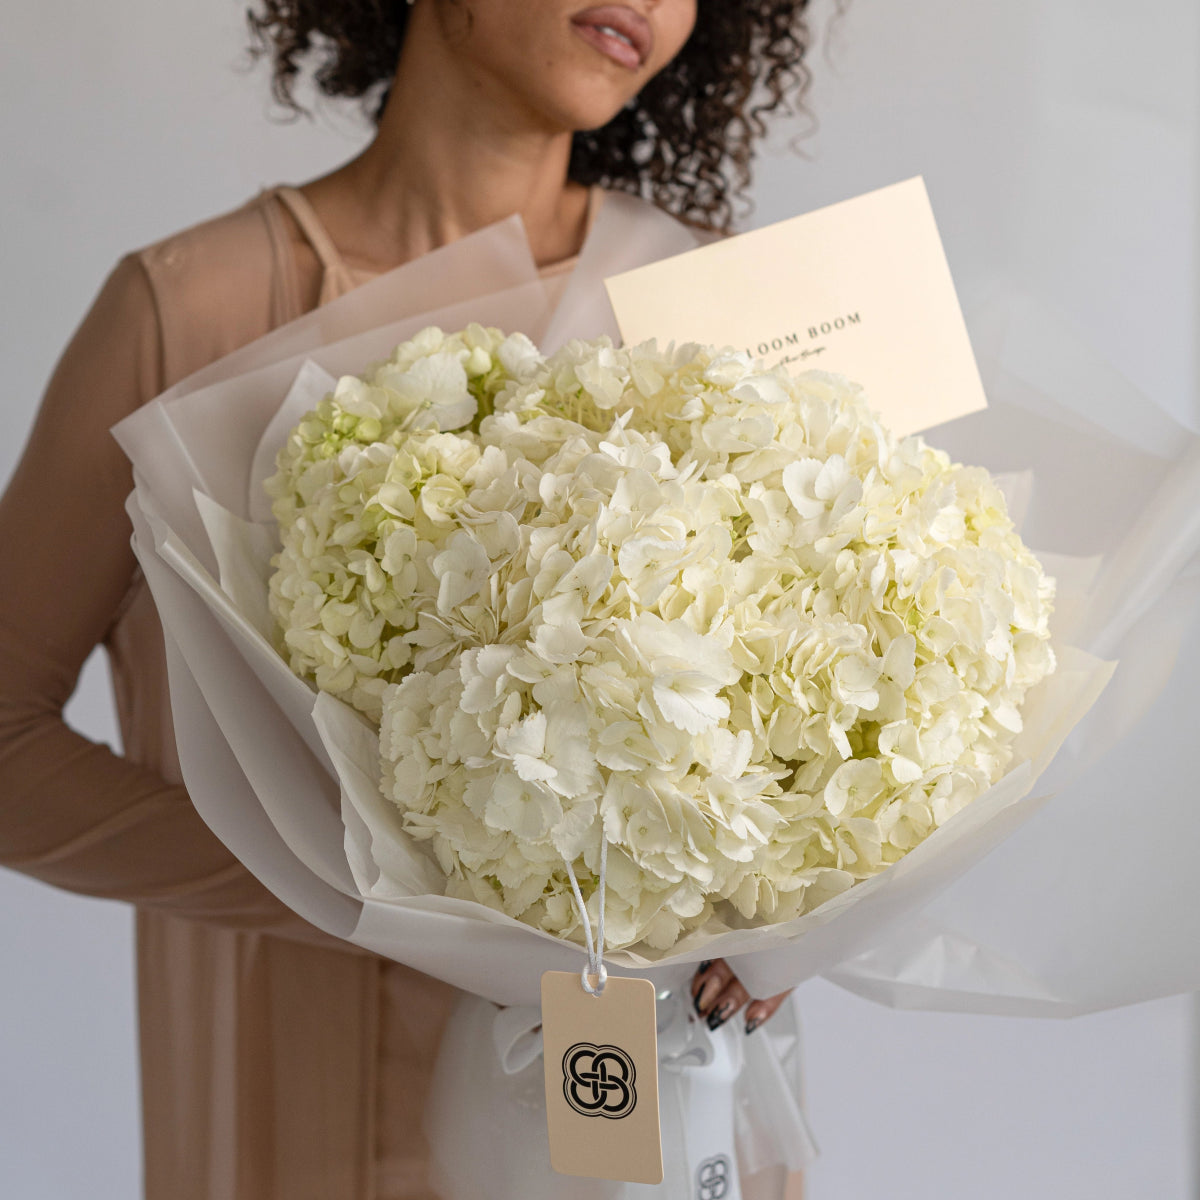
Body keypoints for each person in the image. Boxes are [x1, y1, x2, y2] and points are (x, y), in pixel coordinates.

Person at [0, 1, 815, 1196]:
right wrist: (356, 887)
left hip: (675, 1114)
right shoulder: (195, 308)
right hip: (319, 1102)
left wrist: (797, 909)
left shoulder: (734, 309)